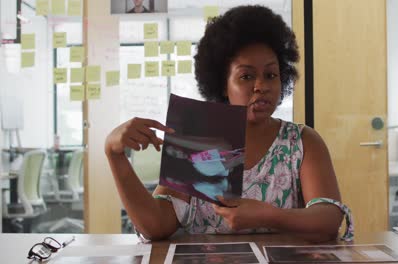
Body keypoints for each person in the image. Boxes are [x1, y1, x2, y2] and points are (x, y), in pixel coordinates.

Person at [105, 5, 354, 242]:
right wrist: (115, 155)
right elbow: (156, 225)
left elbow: (328, 220)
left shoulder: (302, 141)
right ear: (223, 84)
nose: (261, 86)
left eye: (271, 75)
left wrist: (269, 215)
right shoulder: (198, 138)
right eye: (246, 76)